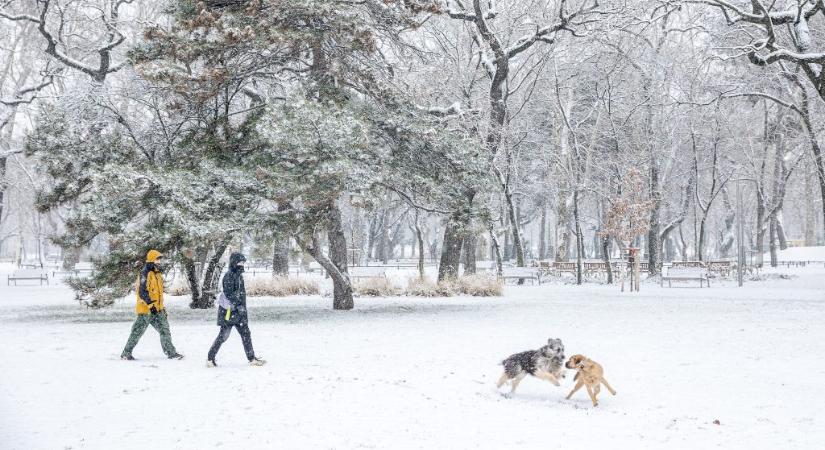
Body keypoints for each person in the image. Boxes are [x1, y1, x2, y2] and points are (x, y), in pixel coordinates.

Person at [121, 250, 184, 360]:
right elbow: (142, 291)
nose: (159, 261)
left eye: (160, 259)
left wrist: (162, 308)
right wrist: (150, 305)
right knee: (137, 332)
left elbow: (158, 294)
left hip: (158, 310)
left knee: (165, 330)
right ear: (151, 260)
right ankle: (126, 353)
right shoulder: (145, 273)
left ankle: (171, 353)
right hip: (146, 310)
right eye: (157, 259)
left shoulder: (158, 274)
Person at [207, 252, 265, 367]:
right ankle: (210, 358)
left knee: (246, 334)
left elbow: (240, 294)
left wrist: (241, 307)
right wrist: (238, 305)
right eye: (240, 262)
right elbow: (229, 293)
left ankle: (252, 358)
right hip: (229, 312)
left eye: (243, 262)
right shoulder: (229, 275)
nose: (242, 264)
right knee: (223, 336)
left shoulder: (238, 275)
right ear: (234, 262)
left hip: (239, 313)